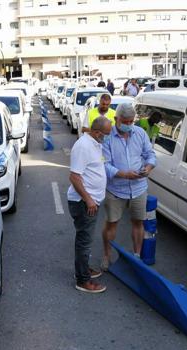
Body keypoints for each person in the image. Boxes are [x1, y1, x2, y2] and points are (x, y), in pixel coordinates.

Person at [101, 103, 156, 270]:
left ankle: (137, 256)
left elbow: (150, 154)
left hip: (139, 188)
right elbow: (104, 164)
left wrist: (148, 167)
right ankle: (107, 255)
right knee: (112, 223)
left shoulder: (140, 133)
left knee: (138, 223)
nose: (129, 124)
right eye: (125, 121)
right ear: (116, 119)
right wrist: (124, 174)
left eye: (131, 121)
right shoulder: (107, 137)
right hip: (116, 189)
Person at [67, 116, 113, 293]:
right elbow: (74, 177)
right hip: (84, 203)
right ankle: (82, 280)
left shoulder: (95, 143)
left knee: (85, 239)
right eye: (106, 134)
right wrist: (88, 199)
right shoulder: (83, 146)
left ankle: (83, 270)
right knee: (84, 241)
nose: (107, 137)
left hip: (91, 201)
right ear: (96, 132)